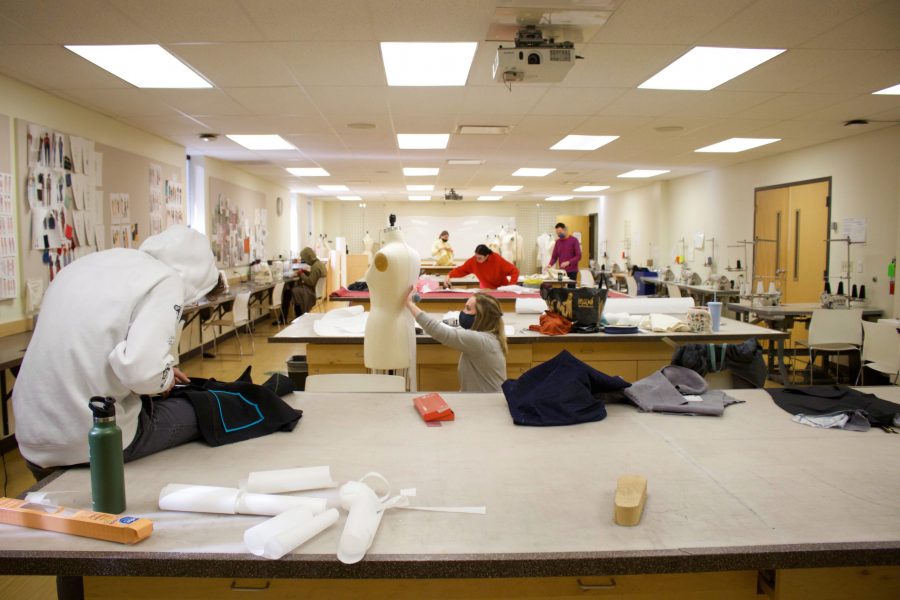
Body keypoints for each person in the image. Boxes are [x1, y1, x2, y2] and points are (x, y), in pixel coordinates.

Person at [13, 225, 222, 479]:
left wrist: (160, 370)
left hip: (31, 438)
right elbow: (142, 374)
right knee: (207, 411)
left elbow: (100, 344)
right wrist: (163, 378)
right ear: (196, 277)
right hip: (90, 438)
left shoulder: (92, 263)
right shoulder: (167, 279)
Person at [404, 288, 507, 392]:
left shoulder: (481, 341)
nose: (463, 312)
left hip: (487, 403)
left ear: (481, 316)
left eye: (468, 308)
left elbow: (439, 331)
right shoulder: (489, 337)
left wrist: (409, 304)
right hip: (481, 399)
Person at [447, 244, 519, 289]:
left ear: (487, 256)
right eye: (476, 256)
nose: (477, 260)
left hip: (501, 288)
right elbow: (461, 270)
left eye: (480, 258)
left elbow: (515, 271)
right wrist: (449, 275)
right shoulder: (473, 260)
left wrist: (510, 287)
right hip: (486, 289)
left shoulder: (497, 259)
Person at [291, 246, 327, 316]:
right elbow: (314, 276)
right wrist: (305, 272)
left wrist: (301, 273)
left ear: (308, 257)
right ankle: (299, 314)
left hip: (312, 292)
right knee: (297, 290)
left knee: (294, 291)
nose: (304, 261)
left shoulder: (315, 266)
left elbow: (311, 282)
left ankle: (299, 315)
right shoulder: (320, 264)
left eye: (304, 259)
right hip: (318, 291)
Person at [548, 222, 582, 287]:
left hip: (572, 270)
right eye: (557, 233)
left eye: (560, 232)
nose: (559, 234)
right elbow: (554, 256)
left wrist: (568, 262)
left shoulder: (574, 240)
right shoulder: (558, 242)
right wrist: (550, 264)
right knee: (561, 288)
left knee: (571, 289)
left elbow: (578, 256)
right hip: (561, 271)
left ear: (565, 230)